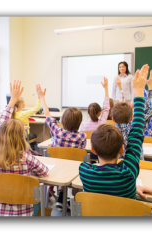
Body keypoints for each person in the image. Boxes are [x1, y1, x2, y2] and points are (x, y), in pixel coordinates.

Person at [79, 64, 148, 199]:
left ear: (93, 149)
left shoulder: (84, 172)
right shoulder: (129, 174)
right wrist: (139, 91)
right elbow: (136, 135)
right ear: (122, 150)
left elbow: (136, 135)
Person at [0, 80, 49, 216]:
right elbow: (44, 172)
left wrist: (13, 100)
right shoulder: (26, 157)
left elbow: (1, 126)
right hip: (22, 214)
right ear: (22, 136)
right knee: (39, 196)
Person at [37, 83, 87, 211]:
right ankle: (75, 200)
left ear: (63, 120)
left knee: (62, 164)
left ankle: (60, 197)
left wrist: (42, 97)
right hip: (75, 173)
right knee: (76, 168)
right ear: (79, 122)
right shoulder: (82, 137)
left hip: (56, 170)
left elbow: (48, 115)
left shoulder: (57, 132)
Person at [112, 68, 152, 160]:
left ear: (113, 119)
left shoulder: (109, 133)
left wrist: (120, 88)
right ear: (131, 118)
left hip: (117, 170)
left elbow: (120, 106)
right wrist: (151, 86)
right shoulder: (136, 128)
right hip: (136, 170)